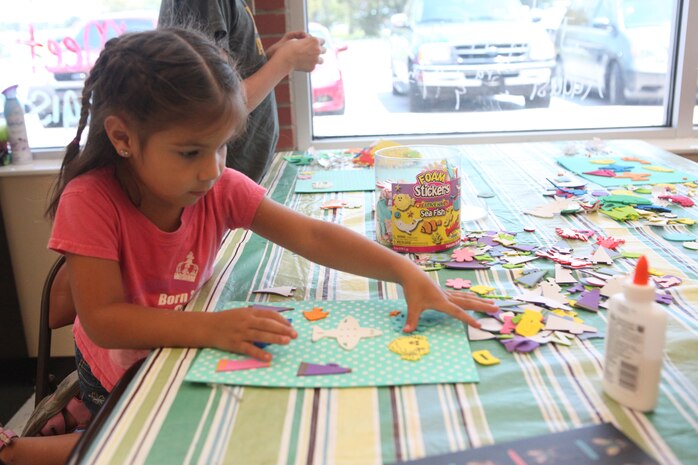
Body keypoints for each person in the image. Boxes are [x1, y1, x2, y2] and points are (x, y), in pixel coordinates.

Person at [0, 27, 496, 465]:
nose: (212, 168)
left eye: (221, 146)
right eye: (191, 151)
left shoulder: (216, 186)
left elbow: (312, 234)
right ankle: (26, 448)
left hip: (177, 338)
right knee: (164, 443)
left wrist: (407, 274)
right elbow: (105, 321)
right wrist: (211, 326)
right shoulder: (91, 199)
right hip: (115, 357)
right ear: (123, 137)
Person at [158, 0, 325, 183]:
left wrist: (268, 59)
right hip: (221, 178)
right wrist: (286, 61)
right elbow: (218, 102)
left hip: (238, 175)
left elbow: (229, 78)